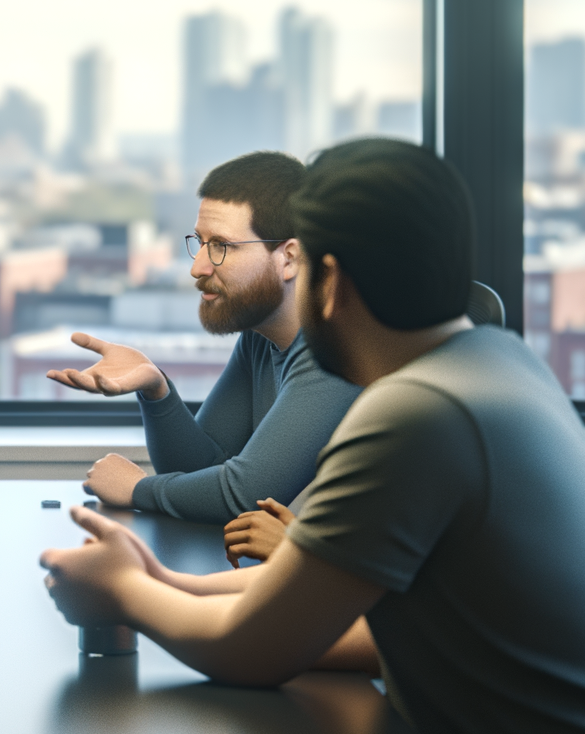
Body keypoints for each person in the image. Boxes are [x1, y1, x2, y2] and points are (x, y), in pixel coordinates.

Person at [38, 138, 585, 734]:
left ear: (327, 280)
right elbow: (316, 591)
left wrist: (124, 593)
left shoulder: (417, 415)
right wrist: (162, 579)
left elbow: (255, 649)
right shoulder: (494, 368)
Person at [45, 151, 360, 525]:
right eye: (200, 242)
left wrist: (137, 489)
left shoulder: (334, 354)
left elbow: (244, 494)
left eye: (221, 246)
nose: (197, 268)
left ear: (289, 258)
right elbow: (201, 468)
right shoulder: (260, 337)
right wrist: (156, 389)